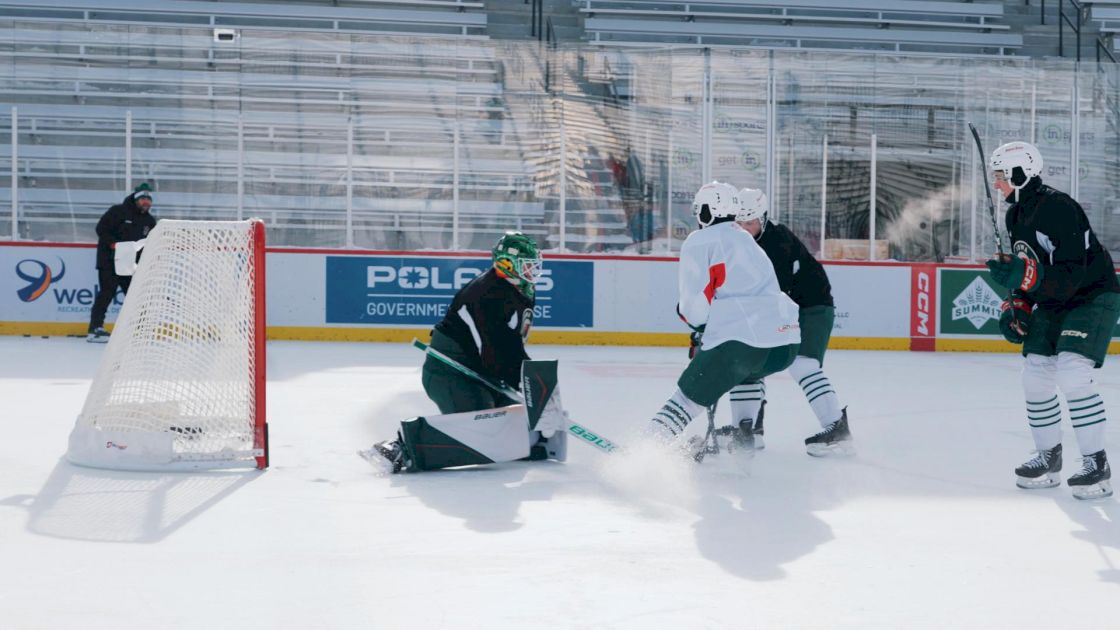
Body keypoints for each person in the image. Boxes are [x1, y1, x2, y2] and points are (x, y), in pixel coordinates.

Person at [360, 232, 567, 473]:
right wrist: (522, 380)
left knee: (514, 421)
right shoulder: (486, 294)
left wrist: (528, 384)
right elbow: (492, 349)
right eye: (527, 265)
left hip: (484, 373)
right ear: (508, 264)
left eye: (534, 264)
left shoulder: (520, 288)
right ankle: (398, 448)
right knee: (485, 434)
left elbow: (510, 342)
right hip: (450, 373)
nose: (533, 270)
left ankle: (533, 442)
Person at [985, 141, 1116, 500]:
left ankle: (1096, 464)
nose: (997, 183)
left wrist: (1023, 275)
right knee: (1035, 375)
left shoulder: (1059, 208)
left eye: (1001, 175)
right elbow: (1030, 269)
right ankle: (1048, 456)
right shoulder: (1015, 216)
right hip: (1055, 302)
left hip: (1092, 296)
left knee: (1073, 371)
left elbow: (1071, 274)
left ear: (1020, 173)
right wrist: (1017, 306)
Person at [646, 181, 801, 453]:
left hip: (742, 342)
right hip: (784, 343)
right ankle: (744, 436)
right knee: (747, 375)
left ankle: (645, 450)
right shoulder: (747, 240)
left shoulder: (701, 240)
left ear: (706, 211)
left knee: (688, 396)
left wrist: (696, 323)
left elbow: (695, 308)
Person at [732, 187, 853, 457]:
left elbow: (774, 294)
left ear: (763, 219)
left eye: (750, 223)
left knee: (803, 364)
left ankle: (837, 430)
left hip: (811, 308)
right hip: (779, 308)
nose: (745, 229)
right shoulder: (737, 242)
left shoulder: (777, 242)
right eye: (740, 223)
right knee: (747, 365)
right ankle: (748, 431)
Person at [87, 182, 157, 343]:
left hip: (129, 265)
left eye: (149, 200)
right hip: (109, 262)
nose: (146, 202)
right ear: (136, 199)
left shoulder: (149, 221)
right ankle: (95, 329)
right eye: (143, 199)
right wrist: (113, 244)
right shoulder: (118, 211)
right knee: (106, 294)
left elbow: (147, 244)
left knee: (135, 296)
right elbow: (101, 229)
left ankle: (141, 328)